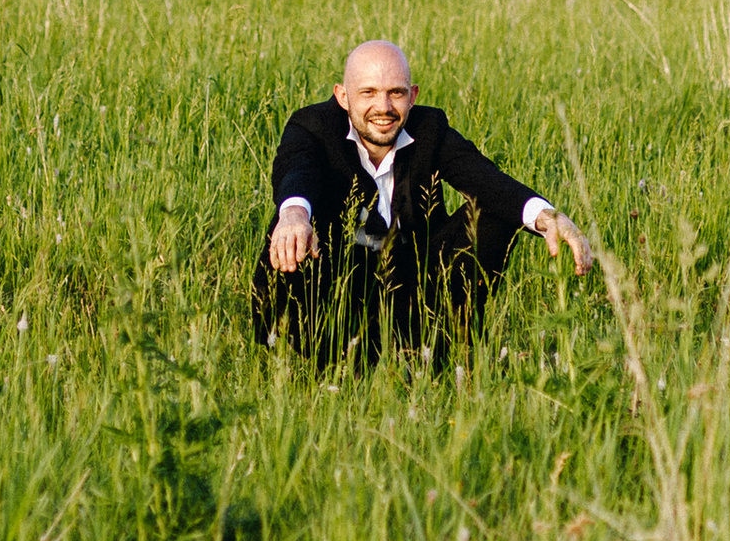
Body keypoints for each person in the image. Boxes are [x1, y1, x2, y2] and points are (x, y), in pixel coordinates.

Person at [251, 39, 594, 367]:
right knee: (290, 230)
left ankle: (437, 349)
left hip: (413, 296)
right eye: (368, 92)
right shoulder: (312, 126)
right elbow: (297, 170)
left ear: (412, 96)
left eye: (395, 93)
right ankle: (316, 357)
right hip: (339, 292)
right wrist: (294, 214)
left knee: (494, 213)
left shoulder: (430, 128)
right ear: (343, 96)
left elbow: (485, 179)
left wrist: (546, 217)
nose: (383, 107)